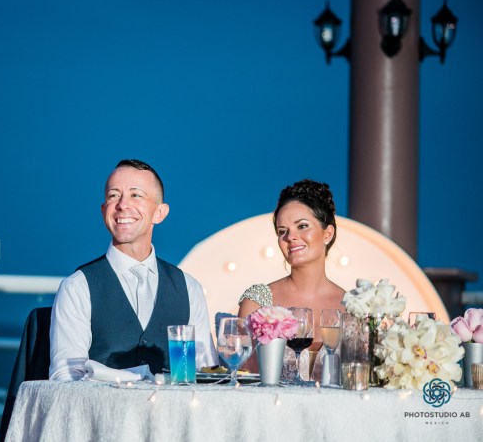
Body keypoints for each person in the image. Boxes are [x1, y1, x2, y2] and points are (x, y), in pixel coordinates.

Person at [49, 159, 218, 381]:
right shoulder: (77, 286)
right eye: (113, 196)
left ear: (159, 213)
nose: (122, 205)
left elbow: (205, 372)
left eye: (136, 195)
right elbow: (66, 377)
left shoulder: (189, 288)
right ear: (104, 211)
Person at [237, 179, 346, 373]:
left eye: (302, 226)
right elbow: (243, 378)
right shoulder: (258, 303)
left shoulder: (352, 306)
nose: (290, 237)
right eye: (282, 231)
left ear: (327, 234)